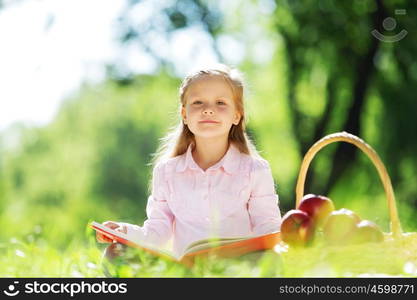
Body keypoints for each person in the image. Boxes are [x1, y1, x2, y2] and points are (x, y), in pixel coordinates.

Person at [97, 64, 282, 260]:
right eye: (198, 102)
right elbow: (157, 230)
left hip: (237, 269)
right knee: (116, 254)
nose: (208, 110)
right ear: (184, 115)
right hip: (184, 272)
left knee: (272, 259)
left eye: (220, 103)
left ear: (237, 115)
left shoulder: (255, 170)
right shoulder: (167, 172)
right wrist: (124, 232)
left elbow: (267, 226)